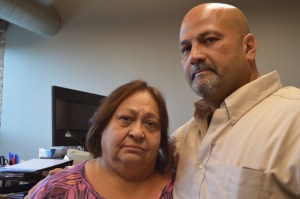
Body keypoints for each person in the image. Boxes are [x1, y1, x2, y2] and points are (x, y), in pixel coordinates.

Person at [173, 2, 300, 199]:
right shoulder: (179, 141)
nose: (194, 56)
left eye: (209, 40)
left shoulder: (295, 118)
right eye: (186, 49)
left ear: (248, 47)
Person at [28, 80, 175, 199]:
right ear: (101, 128)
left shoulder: (183, 186)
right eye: (126, 118)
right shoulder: (57, 190)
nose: (137, 133)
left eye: (150, 124)